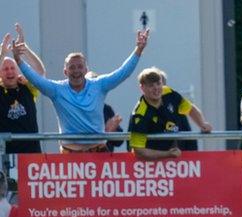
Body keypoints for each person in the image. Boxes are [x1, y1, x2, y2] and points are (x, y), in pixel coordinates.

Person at [14, 28, 150, 153]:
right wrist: (18, 60)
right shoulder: (57, 90)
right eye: (72, 67)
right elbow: (36, 80)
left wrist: (138, 50)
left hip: (98, 151)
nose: (76, 71)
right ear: (65, 71)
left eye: (80, 67)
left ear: (86, 70)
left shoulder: (99, 85)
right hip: (70, 154)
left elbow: (122, 73)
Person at [128, 67, 212, 160]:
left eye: (158, 84)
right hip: (151, 165)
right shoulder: (140, 114)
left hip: (175, 157)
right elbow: (138, 151)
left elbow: (190, 109)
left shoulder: (168, 92)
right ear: (142, 88)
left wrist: (202, 124)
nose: (156, 88)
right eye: (151, 85)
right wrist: (167, 154)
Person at [0, 24, 44, 154]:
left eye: (12, 68)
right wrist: (2, 54)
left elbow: (40, 73)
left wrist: (25, 49)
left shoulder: (27, 87)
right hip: (8, 158)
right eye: (5, 69)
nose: (9, 72)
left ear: (17, 70)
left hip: (32, 156)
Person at [84, 71, 124, 151]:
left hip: (105, 160)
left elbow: (119, 142)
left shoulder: (107, 109)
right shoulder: (78, 109)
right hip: (83, 160)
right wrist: (105, 132)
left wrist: (111, 133)